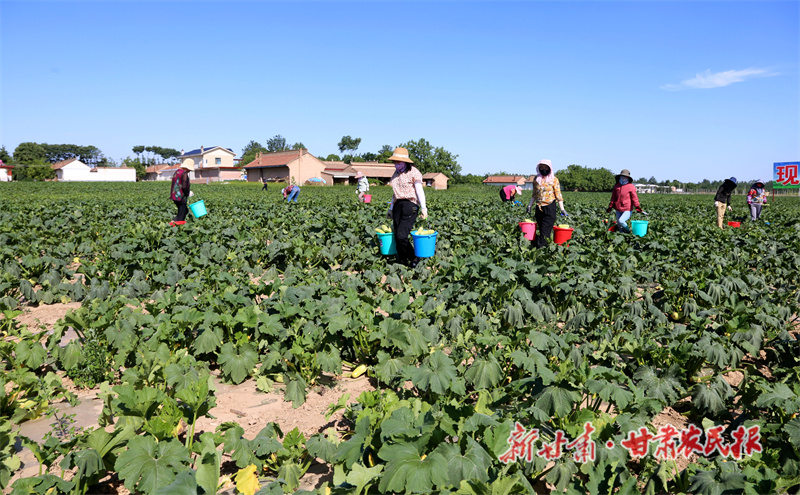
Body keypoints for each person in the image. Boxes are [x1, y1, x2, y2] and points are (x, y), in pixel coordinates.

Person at [387, 147, 428, 267]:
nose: (396, 164)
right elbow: (395, 193)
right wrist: (391, 208)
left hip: (410, 205)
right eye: (395, 162)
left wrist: (424, 208)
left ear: (405, 162)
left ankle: (414, 256)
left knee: (401, 235)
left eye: (398, 162)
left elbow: (419, 191)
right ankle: (402, 261)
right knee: (397, 235)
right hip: (398, 205)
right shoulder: (395, 174)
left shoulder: (414, 172)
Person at [526, 160, 567, 248]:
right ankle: (544, 248)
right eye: (541, 167)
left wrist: (562, 209)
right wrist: (529, 206)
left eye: (546, 167)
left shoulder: (554, 180)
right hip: (539, 208)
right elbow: (534, 194)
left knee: (544, 232)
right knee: (542, 231)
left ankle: (539, 250)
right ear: (539, 168)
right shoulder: (536, 179)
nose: (543, 169)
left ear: (549, 168)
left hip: (549, 207)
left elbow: (558, 195)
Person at [606, 169, 643, 233]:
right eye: (622, 176)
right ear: (620, 177)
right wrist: (610, 206)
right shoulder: (616, 186)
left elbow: (634, 198)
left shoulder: (631, 187)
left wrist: (637, 207)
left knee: (621, 221)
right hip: (618, 208)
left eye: (625, 177)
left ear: (628, 178)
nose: (623, 178)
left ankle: (628, 232)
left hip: (627, 209)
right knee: (619, 225)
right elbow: (613, 198)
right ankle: (622, 236)